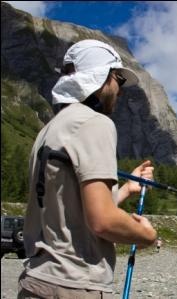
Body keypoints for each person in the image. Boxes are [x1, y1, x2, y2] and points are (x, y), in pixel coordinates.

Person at [18, 39, 157, 299]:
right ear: (101, 78)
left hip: (36, 281)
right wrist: (146, 236)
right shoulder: (95, 123)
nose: (120, 90)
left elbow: (73, 207)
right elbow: (103, 221)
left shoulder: (50, 129)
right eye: (119, 79)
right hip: (73, 284)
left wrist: (127, 188)